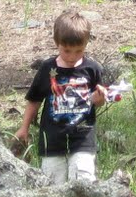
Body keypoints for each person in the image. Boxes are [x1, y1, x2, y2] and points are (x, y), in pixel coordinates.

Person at [16, 10, 106, 183]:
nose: (72, 57)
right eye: (67, 51)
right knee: (53, 184)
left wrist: (99, 99)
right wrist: (24, 127)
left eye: (79, 51)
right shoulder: (48, 69)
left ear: (86, 44)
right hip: (52, 139)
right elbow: (34, 100)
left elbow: (95, 101)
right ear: (57, 44)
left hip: (82, 137)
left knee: (83, 179)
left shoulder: (92, 69)